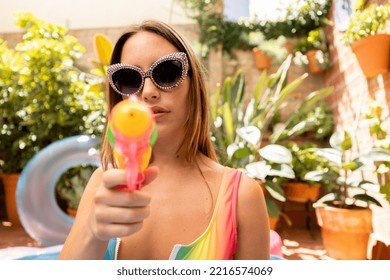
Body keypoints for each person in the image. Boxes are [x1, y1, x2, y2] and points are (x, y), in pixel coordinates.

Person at [59, 19, 270, 260]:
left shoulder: (242, 196)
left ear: (194, 85)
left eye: (167, 72)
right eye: (129, 79)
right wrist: (90, 233)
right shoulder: (103, 184)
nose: (148, 92)